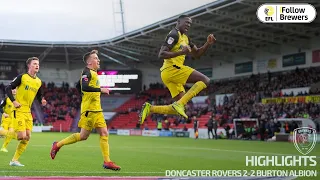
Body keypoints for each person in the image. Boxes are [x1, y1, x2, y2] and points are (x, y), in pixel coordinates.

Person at [50, 50, 120, 171]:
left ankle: (107, 161)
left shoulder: (94, 73)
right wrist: (100, 90)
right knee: (83, 136)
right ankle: (57, 145)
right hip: (90, 111)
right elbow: (85, 86)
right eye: (96, 58)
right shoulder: (86, 72)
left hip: (97, 110)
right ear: (89, 62)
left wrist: (86, 95)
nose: (98, 60)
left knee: (104, 133)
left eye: (98, 58)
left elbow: (79, 86)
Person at [139, 14, 216, 124]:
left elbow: (197, 54)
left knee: (179, 108)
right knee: (205, 80)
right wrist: (181, 52)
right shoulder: (174, 34)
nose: (188, 25)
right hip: (172, 69)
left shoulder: (186, 38)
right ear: (178, 22)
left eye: (190, 23)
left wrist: (207, 43)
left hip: (169, 73)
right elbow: (161, 54)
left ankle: (150, 108)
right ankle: (179, 104)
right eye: (186, 22)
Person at [0, 57, 47, 166]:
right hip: (19, 111)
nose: (37, 65)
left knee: (27, 137)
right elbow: (8, 88)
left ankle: (14, 160)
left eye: (38, 64)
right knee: (21, 136)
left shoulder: (39, 82)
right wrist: (14, 101)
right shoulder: (22, 77)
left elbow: (39, 95)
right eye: (34, 63)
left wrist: (42, 100)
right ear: (29, 66)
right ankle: (2, 133)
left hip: (28, 112)